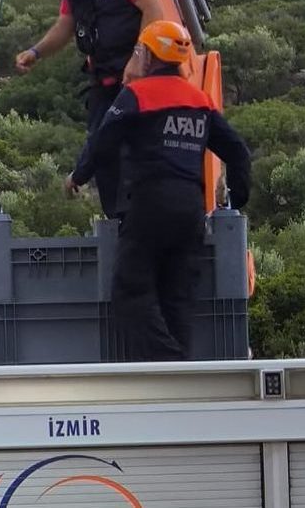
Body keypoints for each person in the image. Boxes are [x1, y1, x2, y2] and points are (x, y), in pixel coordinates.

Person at [67, 20, 252, 361]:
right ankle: (182, 381)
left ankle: (171, 363)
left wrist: (78, 176)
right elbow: (237, 151)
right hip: (190, 209)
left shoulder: (137, 95)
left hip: (150, 204)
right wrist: (237, 196)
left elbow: (102, 142)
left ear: (149, 56)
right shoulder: (200, 100)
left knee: (129, 293)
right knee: (177, 297)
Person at [15, 0, 164, 218]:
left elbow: (153, 11)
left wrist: (139, 57)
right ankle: (117, 217)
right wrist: (36, 52)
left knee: (135, 148)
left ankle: (145, 215)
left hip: (138, 79)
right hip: (103, 80)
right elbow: (64, 26)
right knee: (102, 148)